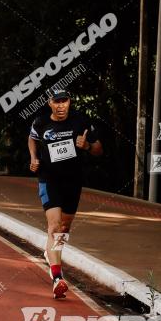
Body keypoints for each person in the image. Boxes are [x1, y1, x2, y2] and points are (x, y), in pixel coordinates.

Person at [28, 88, 103, 299]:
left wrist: (87, 145)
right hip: (48, 179)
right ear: (49, 102)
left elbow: (99, 149)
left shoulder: (81, 121)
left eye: (65, 101)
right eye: (57, 101)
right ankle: (57, 277)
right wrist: (34, 157)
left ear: (69, 102)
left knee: (64, 229)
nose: (61, 105)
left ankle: (51, 252)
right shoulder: (40, 122)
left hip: (73, 180)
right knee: (54, 226)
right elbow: (32, 139)